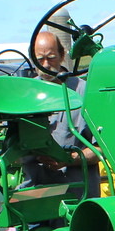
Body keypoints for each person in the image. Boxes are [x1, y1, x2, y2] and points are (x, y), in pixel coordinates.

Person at [23, 29, 99, 195]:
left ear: (62, 55)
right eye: (40, 59)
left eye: (51, 58)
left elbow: (101, 149)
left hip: (77, 193)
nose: (45, 65)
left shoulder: (84, 92)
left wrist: (69, 159)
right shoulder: (24, 96)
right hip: (35, 193)